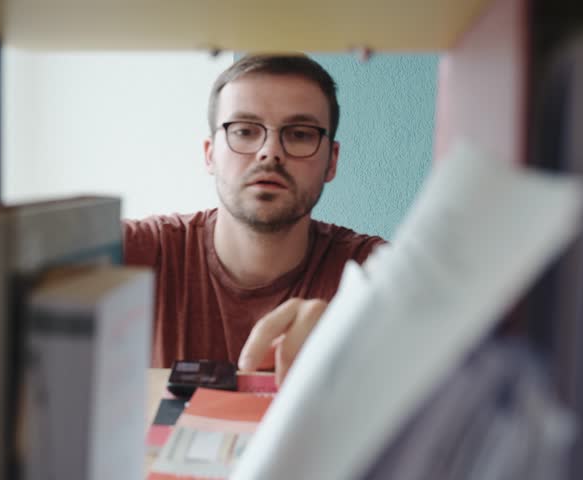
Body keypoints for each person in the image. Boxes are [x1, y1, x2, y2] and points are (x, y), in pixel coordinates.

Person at [123, 54, 386, 384]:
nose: (270, 151)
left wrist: (356, 337)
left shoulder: (363, 272)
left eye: (300, 134)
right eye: (245, 131)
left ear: (331, 161)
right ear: (210, 154)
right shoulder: (145, 252)